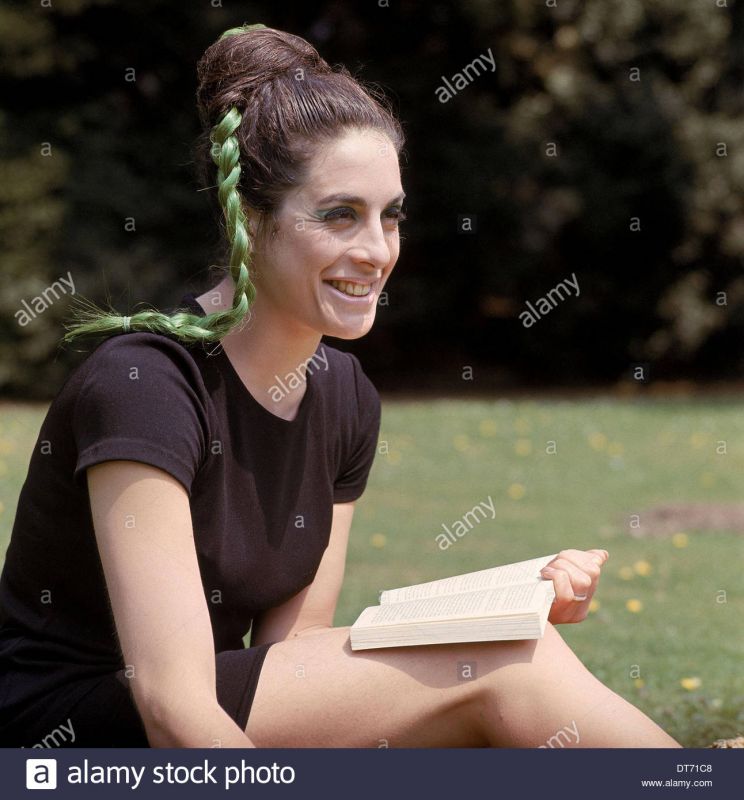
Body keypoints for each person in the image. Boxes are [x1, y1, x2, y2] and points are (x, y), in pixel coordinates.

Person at [0, 24, 680, 748]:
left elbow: (293, 656)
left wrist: (508, 595)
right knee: (507, 666)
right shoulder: (145, 384)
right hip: (64, 736)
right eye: (339, 215)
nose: (377, 251)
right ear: (250, 221)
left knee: (503, 661)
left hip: (206, 709)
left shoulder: (344, 396)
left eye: (391, 216)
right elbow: (172, 703)